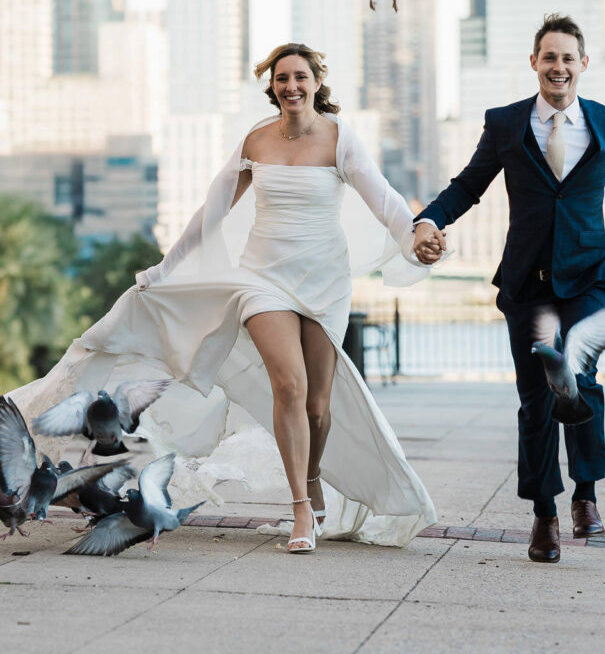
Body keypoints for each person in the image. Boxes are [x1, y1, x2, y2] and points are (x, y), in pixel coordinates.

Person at [12, 43, 436, 552]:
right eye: (282, 79)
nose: (292, 87)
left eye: (300, 77)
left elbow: (384, 198)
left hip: (325, 282)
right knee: (290, 386)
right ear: (272, 85)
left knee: (319, 408)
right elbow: (210, 213)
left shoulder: (341, 139)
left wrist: (416, 236)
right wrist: (165, 269)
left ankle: (314, 481)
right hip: (262, 279)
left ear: (317, 83)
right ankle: (302, 509)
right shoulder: (256, 140)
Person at [413, 13, 605, 563]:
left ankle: (586, 496)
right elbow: (468, 186)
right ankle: (545, 514)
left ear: (583, 65)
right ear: (534, 63)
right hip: (527, 282)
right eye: (549, 57)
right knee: (536, 401)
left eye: (568, 57)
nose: (558, 66)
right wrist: (428, 220)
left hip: (589, 277)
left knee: (579, 374)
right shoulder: (505, 124)